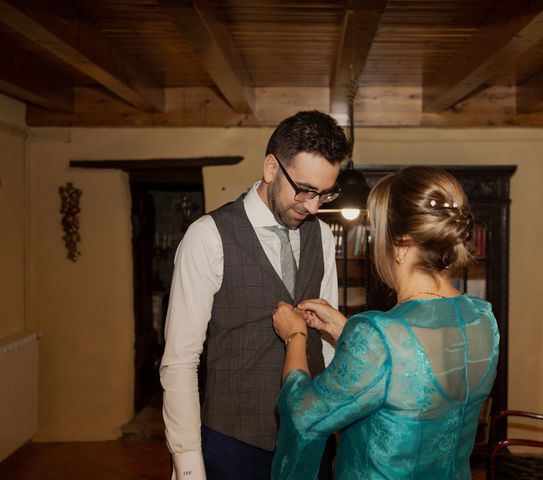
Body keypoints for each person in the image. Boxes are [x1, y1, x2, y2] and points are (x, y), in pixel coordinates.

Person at [271, 166, 500, 480]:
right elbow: (417, 369)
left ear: (402, 243)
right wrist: (345, 330)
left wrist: (294, 335)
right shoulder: (483, 320)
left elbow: (304, 417)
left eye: (375, 232)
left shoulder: (377, 337)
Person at [160, 110, 351, 480]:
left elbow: (327, 346)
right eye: (305, 189)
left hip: (311, 438)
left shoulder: (323, 236)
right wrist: (187, 466)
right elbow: (180, 362)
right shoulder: (207, 236)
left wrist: (332, 420)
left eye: (325, 193)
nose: (313, 205)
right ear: (270, 168)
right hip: (234, 443)